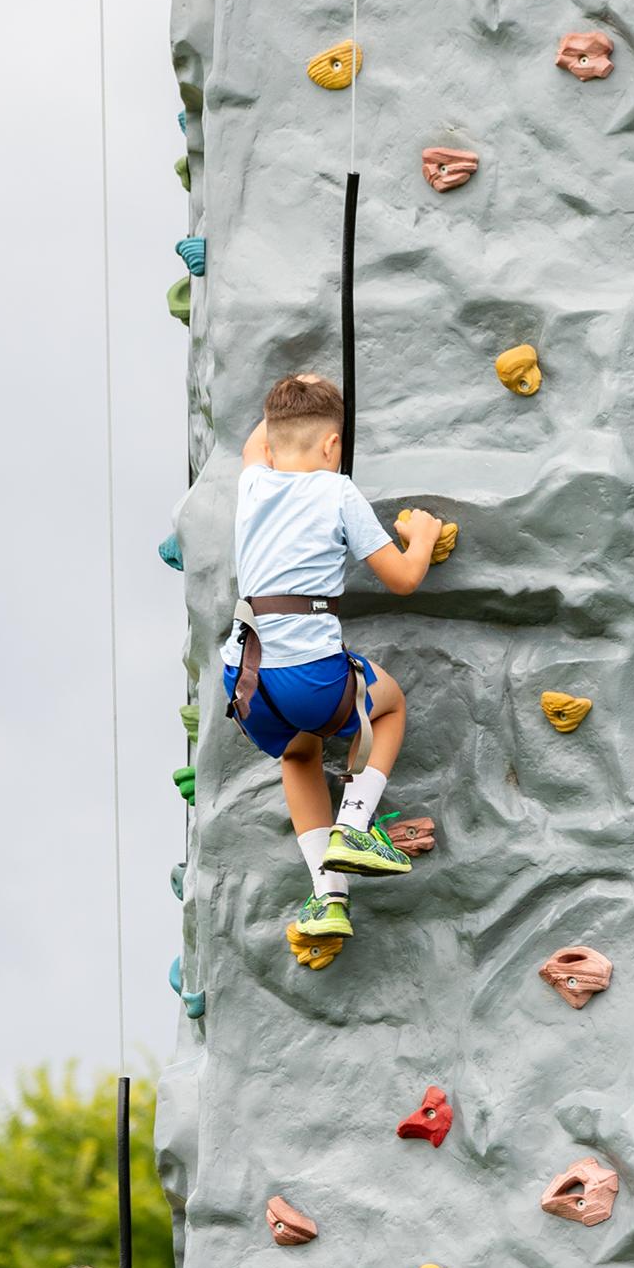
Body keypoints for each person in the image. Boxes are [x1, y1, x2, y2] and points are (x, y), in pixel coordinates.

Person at [222, 370, 444, 941]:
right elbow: (401, 580)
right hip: (308, 674)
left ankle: (328, 899)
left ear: (270, 444)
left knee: (298, 758)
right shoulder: (337, 491)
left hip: (246, 680)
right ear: (333, 447)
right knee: (388, 707)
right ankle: (354, 827)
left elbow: (257, 443)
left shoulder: (252, 483)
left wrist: (292, 393)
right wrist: (420, 535)